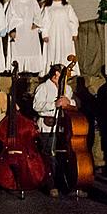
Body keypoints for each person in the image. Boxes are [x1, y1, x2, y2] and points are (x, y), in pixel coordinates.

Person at [33, 64, 72, 197]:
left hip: (62, 127)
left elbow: (74, 104)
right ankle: (50, 184)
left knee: (63, 156)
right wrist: (54, 105)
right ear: (55, 74)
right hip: (47, 126)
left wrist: (69, 101)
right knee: (49, 156)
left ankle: (64, 183)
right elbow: (37, 106)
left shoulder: (67, 88)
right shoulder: (43, 87)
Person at [40, 0, 80, 76]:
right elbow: (44, 21)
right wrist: (44, 34)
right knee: (53, 51)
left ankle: (69, 71)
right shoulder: (47, 7)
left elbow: (74, 20)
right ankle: (53, 72)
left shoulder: (67, 6)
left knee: (66, 51)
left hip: (66, 35)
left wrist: (74, 33)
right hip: (52, 35)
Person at [5, 0, 44, 74]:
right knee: (18, 51)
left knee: (32, 50)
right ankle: (18, 69)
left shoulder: (32, 1)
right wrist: (12, 30)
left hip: (30, 31)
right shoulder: (14, 1)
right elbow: (9, 16)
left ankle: (32, 70)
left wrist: (36, 23)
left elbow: (38, 14)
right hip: (19, 30)